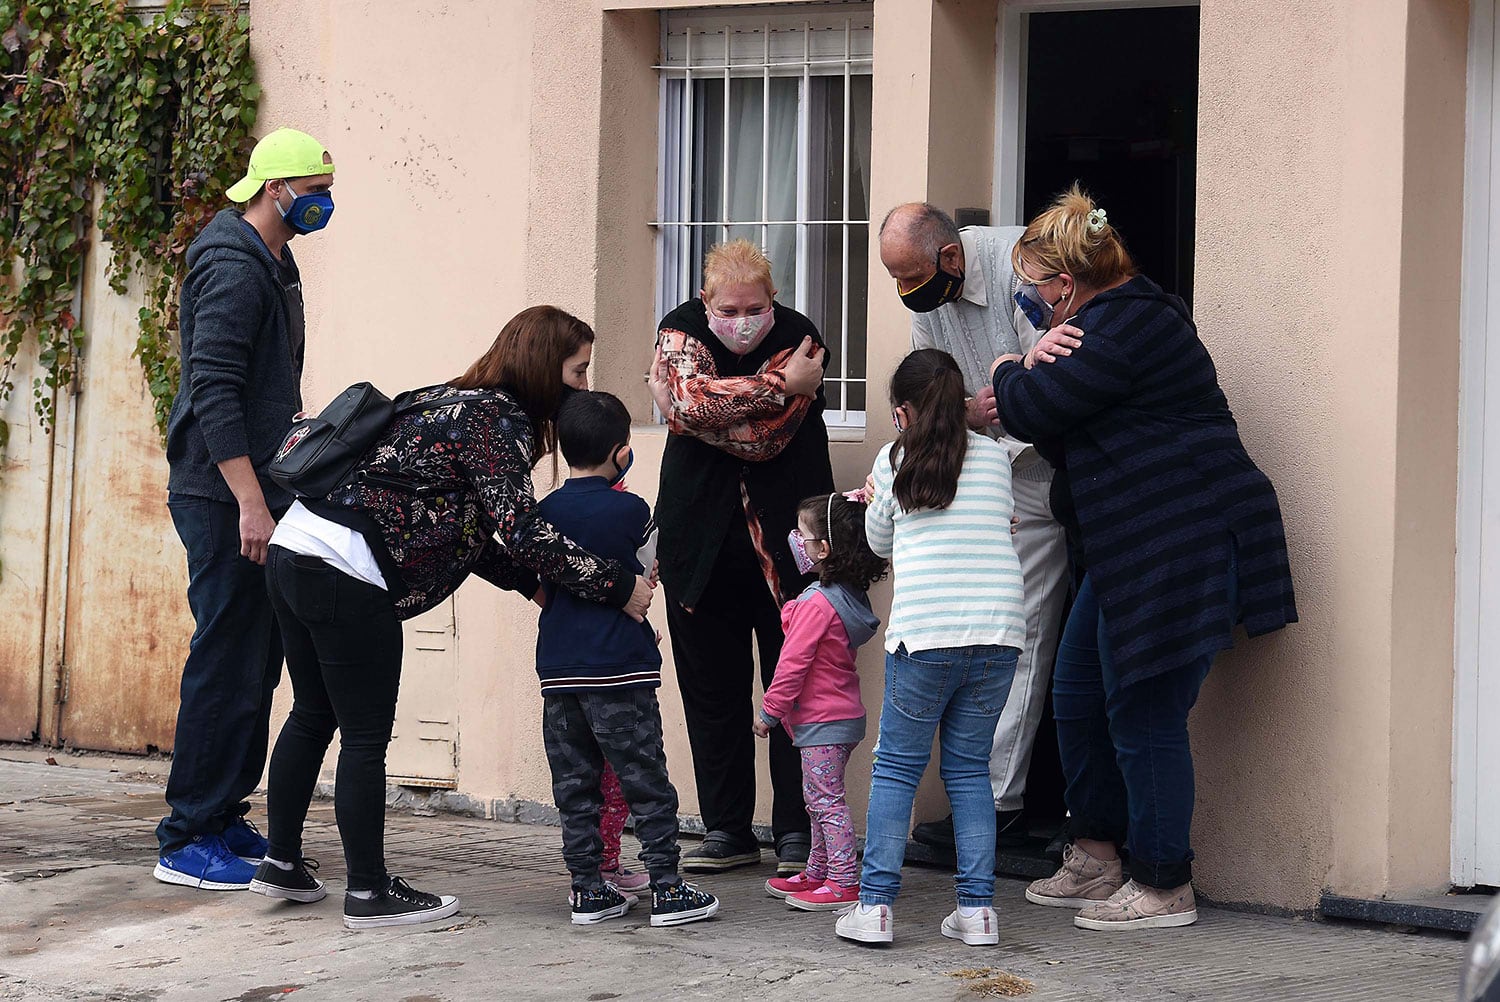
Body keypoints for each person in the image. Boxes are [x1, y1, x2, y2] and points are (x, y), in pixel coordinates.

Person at [246, 306, 656, 930]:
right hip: (348, 569)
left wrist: (537, 591)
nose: (582, 386)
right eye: (577, 371)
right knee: (364, 735)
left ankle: (280, 862)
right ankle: (368, 892)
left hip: (294, 548)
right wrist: (617, 585)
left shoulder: (450, 399)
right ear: (545, 367)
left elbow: (473, 534)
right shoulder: (499, 422)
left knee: (312, 712)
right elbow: (521, 530)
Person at [990, 185, 1297, 931]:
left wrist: (1010, 365)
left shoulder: (1126, 324)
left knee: (1143, 707)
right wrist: (1035, 369)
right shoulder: (1100, 324)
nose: (1029, 298)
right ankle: (1097, 853)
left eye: (1035, 284)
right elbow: (1062, 431)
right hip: (1132, 544)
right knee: (1078, 690)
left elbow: (1030, 411)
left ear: (1067, 282)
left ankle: (1164, 883)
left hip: (1181, 537)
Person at [155, 128, 336, 891]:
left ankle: (224, 812)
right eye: (315, 190)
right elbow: (215, 389)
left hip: (258, 488)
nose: (324, 203)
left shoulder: (274, 260)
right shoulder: (232, 262)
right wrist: (251, 503)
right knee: (226, 659)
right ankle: (186, 835)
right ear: (274, 190)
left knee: (258, 661)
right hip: (222, 492)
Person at [879, 202, 1071, 852]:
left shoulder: (1019, 263)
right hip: (976, 468)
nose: (907, 292)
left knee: (1025, 631)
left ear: (951, 257)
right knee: (982, 637)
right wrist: (966, 408)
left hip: (1037, 469)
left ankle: (998, 802)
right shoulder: (928, 295)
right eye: (897, 280)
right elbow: (930, 389)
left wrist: (1002, 399)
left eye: (912, 277)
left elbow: (1048, 372)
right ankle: (979, 800)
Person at [647, 240, 835, 875]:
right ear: (706, 301)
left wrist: (694, 411)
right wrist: (777, 385)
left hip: (790, 548)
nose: (743, 321)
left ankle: (796, 832)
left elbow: (764, 440)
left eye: (755, 308)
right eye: (728, 310)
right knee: (711, 691)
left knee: (796, 691)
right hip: (698, 546)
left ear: (773, 298)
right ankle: (726, 829)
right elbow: (689, 403)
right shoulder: (679, 328)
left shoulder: (803, 337)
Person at [835, 349, 1026, 948]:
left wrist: (876, 496)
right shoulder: (995, 458)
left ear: (904, 411)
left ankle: (875, 907)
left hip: (925, 635)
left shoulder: (895, 458)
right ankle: (978, 911)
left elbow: (879, 541)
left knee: (897, 768)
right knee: (970, 770)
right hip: (997, 634)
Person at [534, 390, 719, 927]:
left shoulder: (543, 513)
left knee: (575, 788)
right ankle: (667, 888)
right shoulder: (632, 510)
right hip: (620, 669)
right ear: (621, 452)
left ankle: (588, 890)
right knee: (645, 780)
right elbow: (648, 569)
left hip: (559, 674)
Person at [757, 491, 887, 912]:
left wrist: (769, 712)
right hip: (840, 718)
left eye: (803, 534)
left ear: (825, 549)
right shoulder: (847, 597)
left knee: (826, 803)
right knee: (818, 800)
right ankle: (818, 871)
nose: (796, 539)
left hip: (821, 721)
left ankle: (844, 880)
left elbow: (791, 664)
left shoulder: (816, 604)